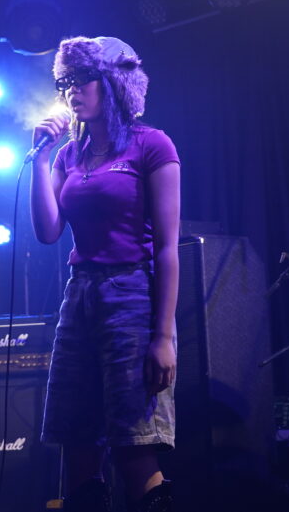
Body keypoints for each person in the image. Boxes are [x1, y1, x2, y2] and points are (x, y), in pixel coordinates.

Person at [30, 37, 180, 512]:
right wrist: (39, 158)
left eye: (83, 79)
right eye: (65, 81)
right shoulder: (68, 155)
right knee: (77, 440)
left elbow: (169, 247)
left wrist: (163, 336)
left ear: (113, 81)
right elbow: (48, 231)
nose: (72, 90)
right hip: (80, 296)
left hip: (132, 294)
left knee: (134, 442)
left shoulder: (151, 144)